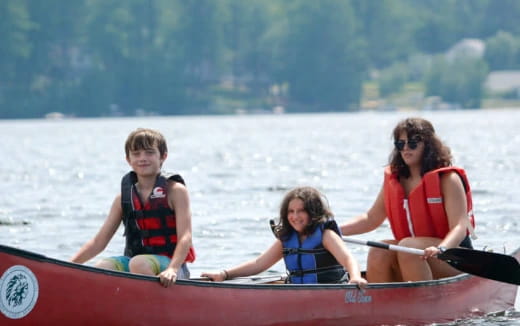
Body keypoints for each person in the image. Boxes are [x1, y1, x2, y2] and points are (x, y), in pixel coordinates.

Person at [340, 117, 476, 283]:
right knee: (378, 250)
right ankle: (380, 304)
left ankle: (424, 303)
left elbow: (460, 225)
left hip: (453, 256)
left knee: (408, 247)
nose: (405, 148)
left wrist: (442, 248)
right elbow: (371, 219)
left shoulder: (448, 179)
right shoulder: (394, 180)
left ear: (428, 145)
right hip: (412, 252)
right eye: (400, 144)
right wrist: (333, 230)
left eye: (412, 143)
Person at [71, 128, 195, 288]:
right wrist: (69, 266)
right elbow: (98, 242)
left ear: (163, 156)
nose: (142, 158)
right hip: (136, 263)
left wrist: (172, 268)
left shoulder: (176, 191)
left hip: (173, 267)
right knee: (103, 267)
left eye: (149, 153)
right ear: (128, 159)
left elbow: (185, 237)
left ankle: (160, 305)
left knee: (139, 263)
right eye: (136, 154)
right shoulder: (123, 198)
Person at [201, 187, 367, 287]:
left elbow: (348, 259)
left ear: (313, 212)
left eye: (301, 211)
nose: (295, 216)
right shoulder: (286, 239)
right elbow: (259, 264)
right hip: (298, 295)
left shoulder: (326, 235)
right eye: (290, 212)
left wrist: (355, 278)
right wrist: (224, 274)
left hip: (329, 292)